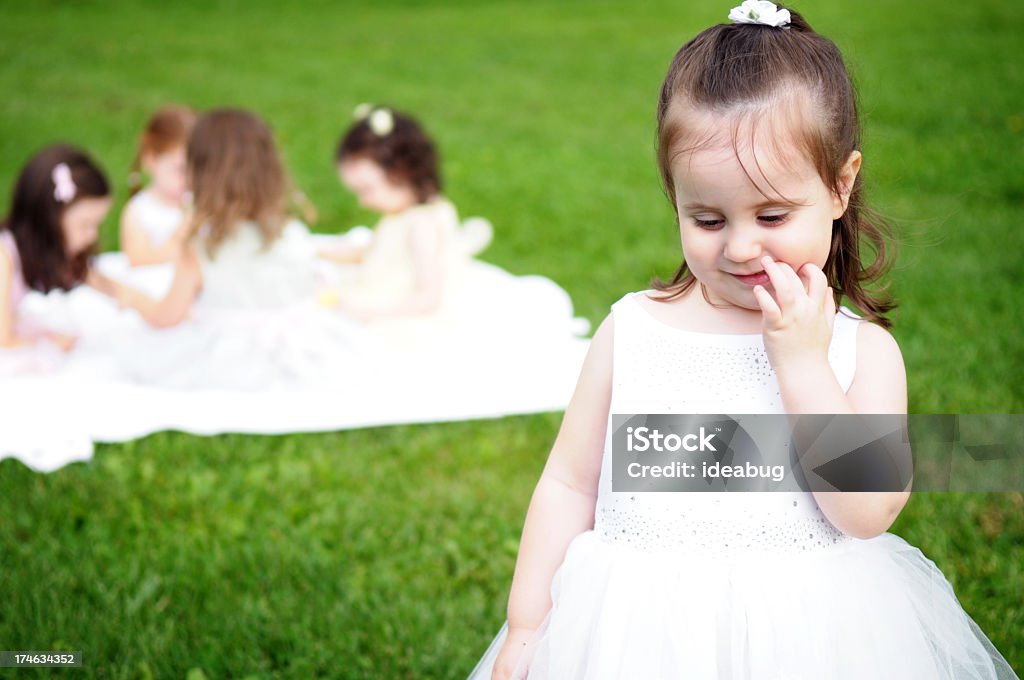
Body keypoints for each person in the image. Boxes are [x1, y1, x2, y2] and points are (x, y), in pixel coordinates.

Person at [470, 3, 1019, 679]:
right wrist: (528, 625)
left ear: (841, 186)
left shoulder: (860, 352)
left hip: (806, 641)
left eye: (772, 214)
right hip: (638, 636)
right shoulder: (634, 331)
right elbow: (566, 482)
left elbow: (867, 510)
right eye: (705, 217)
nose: (738, 245)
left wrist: (802, 363)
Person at [115, 108, 362, 389]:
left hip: (233, 359)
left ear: (201, 173)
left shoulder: (201, 247)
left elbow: (166, 317)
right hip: (304, 350)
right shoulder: (290, 232)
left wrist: (130, 297)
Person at [320, 105, 491, 324]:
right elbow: (380, 251)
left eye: (366, 190)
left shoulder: (421, 225)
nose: (362, 202)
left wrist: (366, 312)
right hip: (381, 289)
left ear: (401, 173)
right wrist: (326, 252)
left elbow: (429, 298)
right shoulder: (404, 212)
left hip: (398, 310)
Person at [0, 144, 116, 373]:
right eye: (86, 224)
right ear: (48, 219)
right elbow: (3, 340)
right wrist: (49, 343)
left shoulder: (34, 253)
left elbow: (106, 285)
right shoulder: (4, 258)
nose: (92, 235)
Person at [120, 105, 196, 266]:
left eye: (197, 168)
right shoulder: (140, 211)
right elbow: (137, 259)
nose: (190, 178)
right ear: (151, 160)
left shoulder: (198, 201)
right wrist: (181, 235)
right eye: (180, 169)